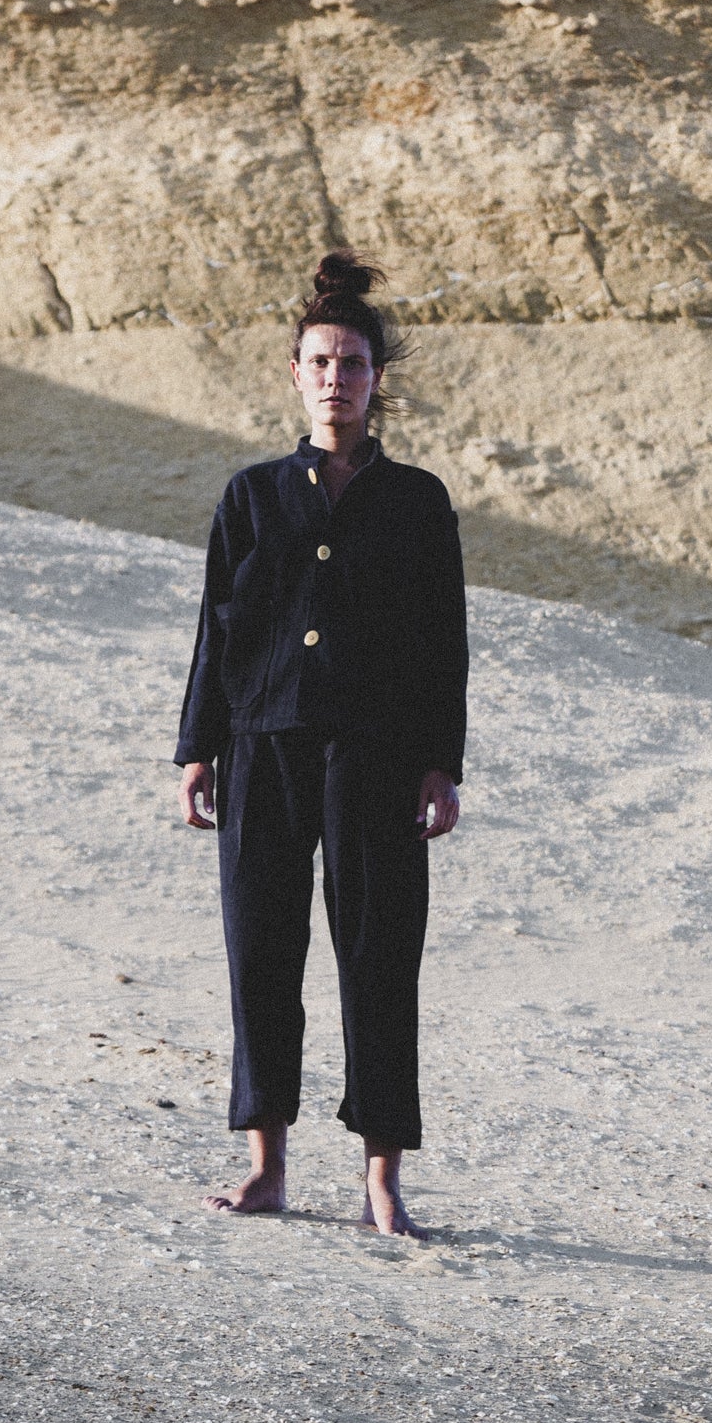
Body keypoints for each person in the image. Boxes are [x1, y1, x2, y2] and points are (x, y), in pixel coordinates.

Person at [174, 250, 468, 1238]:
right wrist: (197, 748)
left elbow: (443, 646)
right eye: (320, 360)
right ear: (295, 374)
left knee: (379, 957)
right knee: (261, 949)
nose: (336, 376)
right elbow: (217, 628)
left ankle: (383, 1176)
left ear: (377, 379)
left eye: (352, 361)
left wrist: (441, 764)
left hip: (379, 758)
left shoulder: (419, 503)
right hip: (263, 743)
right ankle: (266, 1164)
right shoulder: (251, 496)